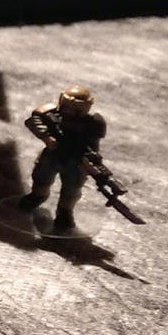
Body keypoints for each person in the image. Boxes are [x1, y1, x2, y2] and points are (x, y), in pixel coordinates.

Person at [18, 84, 104, 232]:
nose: (68, 111)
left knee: (72, 188)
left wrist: (91, 160)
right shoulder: (51, 113)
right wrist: (46, 137)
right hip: (53, 155)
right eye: (66, 106)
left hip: (75, 162)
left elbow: (93, 145)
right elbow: (33, 121)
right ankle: (38, 197)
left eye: (73, 108)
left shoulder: (94, 123)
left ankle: (65, 212)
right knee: (41, 178)